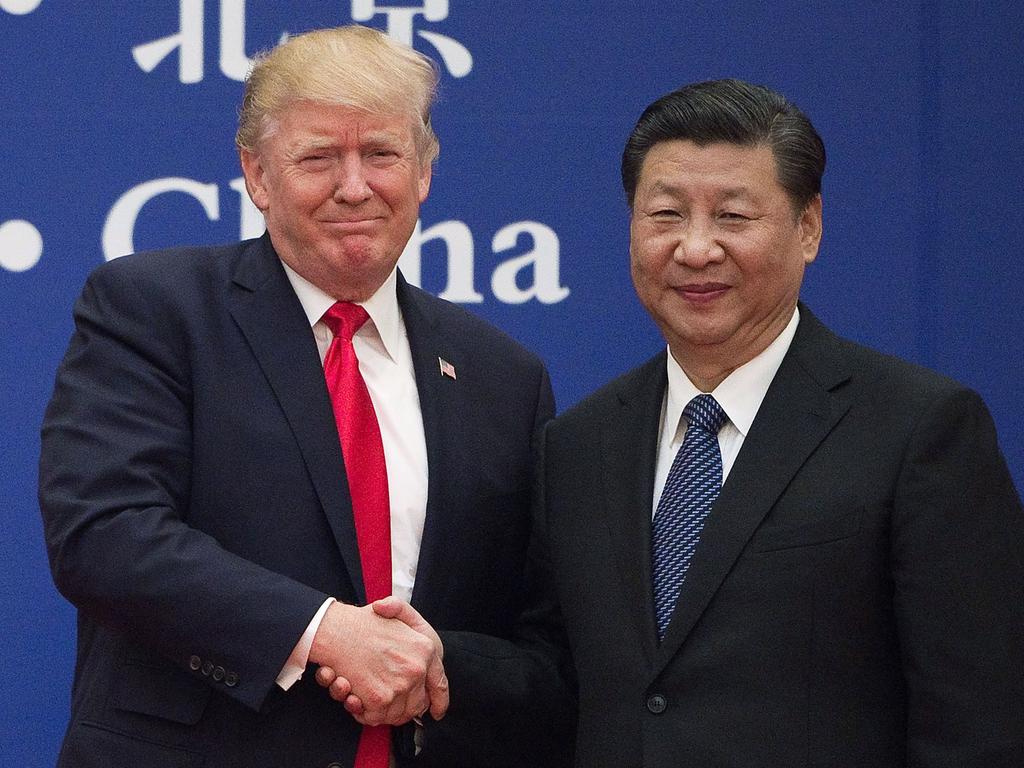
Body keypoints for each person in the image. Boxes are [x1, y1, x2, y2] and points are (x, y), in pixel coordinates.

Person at [344, 78, 1024, 766]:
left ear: (808, 226)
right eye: (665, 215)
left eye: (733, 217)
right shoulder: (578, 446)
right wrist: (437, 662)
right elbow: (559, 680)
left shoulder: (918, 430)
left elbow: (977, 720)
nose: (696, 249)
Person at [38, 25, 560, 768]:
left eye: (381, 154)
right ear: (257, 175)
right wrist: (324, 630)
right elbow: (104, 533)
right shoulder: (154, 309)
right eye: (319, 157)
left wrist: (439, 663)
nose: (355, 186)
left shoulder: (503, 376)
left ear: (424, 172)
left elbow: (541, 644)